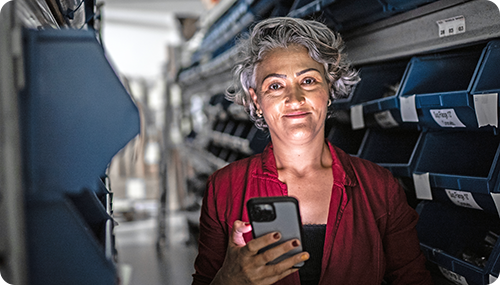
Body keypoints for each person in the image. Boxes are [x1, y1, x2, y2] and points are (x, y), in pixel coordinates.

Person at [192, 17, 433, 285]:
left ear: (328, 89)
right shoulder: (224, 189)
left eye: (308, 80)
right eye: (275, 86)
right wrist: (228, 280)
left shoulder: (380, 188)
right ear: (255, 100)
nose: (294, 99)